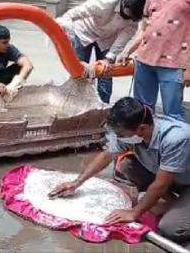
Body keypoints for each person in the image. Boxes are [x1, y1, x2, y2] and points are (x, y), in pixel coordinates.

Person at [49, 97, 190, 244]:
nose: (119, 138)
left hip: (181, 181)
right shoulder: (134, 133)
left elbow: (161, 185)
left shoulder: (175, 138)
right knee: (127, 165)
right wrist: (76, 182)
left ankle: (179, 207)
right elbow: (107, 156)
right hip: (177, 178)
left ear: (141, 129)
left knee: (170, 227)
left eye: (122, 135)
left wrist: (134, 214)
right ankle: (177, 204)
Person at [117, 0, 190, 122]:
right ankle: (144, 148)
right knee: (142, 113)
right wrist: (127, 50)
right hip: (144, 62)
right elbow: (144, 28)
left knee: (172, 114)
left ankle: (176, 148)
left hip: (174, 66)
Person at [57, 0, 147, 104]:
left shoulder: (138, 11)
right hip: (85, 31)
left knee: (106, 72)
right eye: (127, 16)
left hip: (108, 38)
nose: (129, 20)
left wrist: (108, 59)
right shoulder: (103, 1)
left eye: (133, 19)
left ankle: (103, 107)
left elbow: (124, 37)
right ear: (124, 3)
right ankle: (75, 104)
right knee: (78, 72)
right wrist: (68, 35)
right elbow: (71, 15)